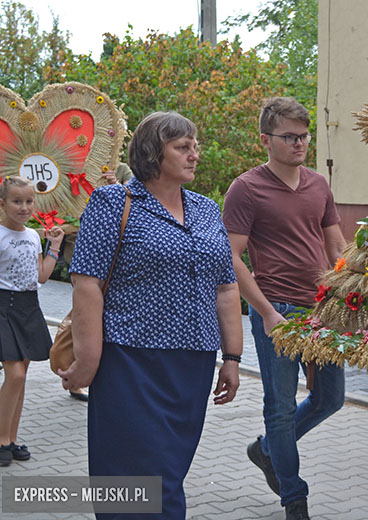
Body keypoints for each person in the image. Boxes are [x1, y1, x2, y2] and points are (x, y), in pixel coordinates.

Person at [59, 111, 242, 519]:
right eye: (182, 147)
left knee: (169, 473)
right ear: (151, 153)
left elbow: (227, 287)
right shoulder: (113, 202)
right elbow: (86, 283)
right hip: (131, 361)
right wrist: (88, 360)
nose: (195, 155)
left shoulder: (206, 210)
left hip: (192, 363)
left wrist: (232, 358)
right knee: (133, 476)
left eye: (195, 146)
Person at [222, 97, 347, 520]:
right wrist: (266, 311)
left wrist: (355, 291)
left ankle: (266, 449)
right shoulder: (246, 188)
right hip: (275, 307)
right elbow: (233, 257)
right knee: (279, 404)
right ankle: (294, 497)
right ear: (266, 140)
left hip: (321, 310)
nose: (299, 144)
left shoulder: (317, 185)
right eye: (289, 137)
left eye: (303, 136)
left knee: (331, 398)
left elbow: (335, 244)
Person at [0, 176, 64, 466]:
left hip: (29, 307)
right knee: (15, 375)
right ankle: (1, 440)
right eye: (17, 201)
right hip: (3, 307)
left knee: (21, 379)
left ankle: (11, 439)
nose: (24, 207)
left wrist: (54, 245)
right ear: (3, 204)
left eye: (28, 201)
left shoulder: (32, 236)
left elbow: (40, 276)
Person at [63, 164, 133, 403]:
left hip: (117, 261)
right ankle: (77, 368)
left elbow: (139, 201)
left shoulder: (122, 169)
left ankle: (88, 369)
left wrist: (116, 185)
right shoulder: (73, 167)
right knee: (85, 315)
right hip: (85, 255)